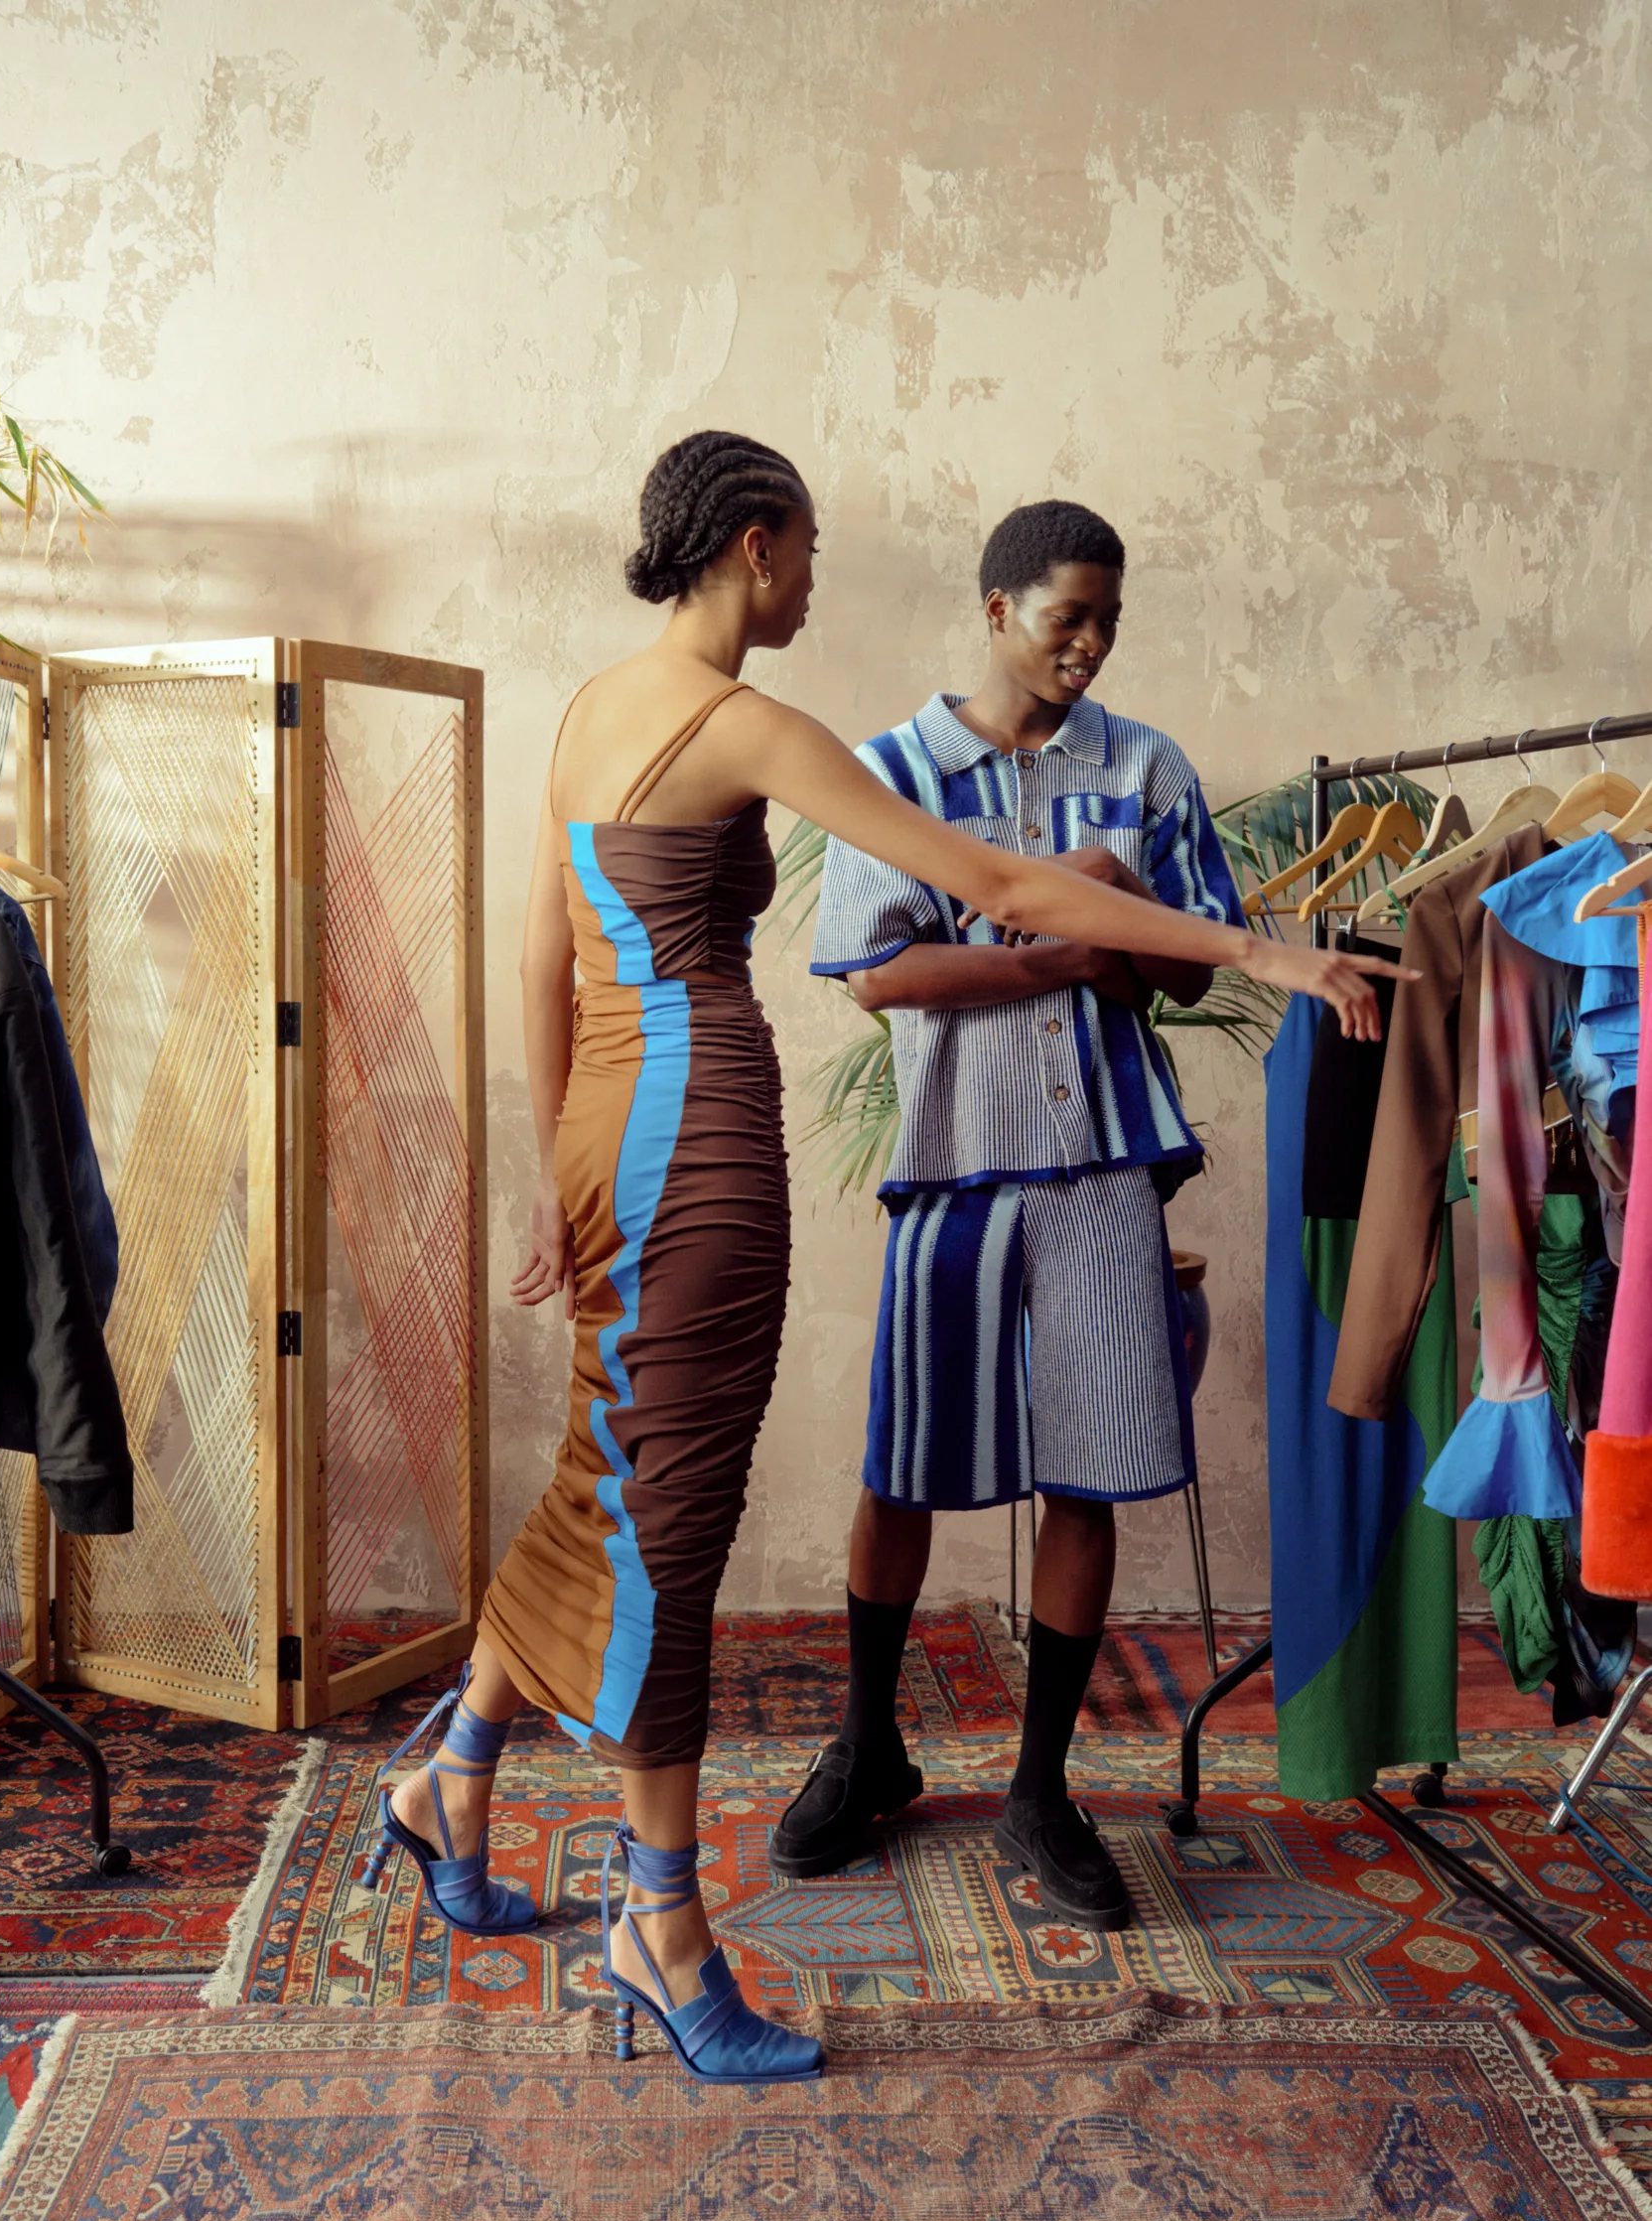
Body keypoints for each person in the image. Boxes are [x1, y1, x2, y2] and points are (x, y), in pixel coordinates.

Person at [370, 432, 1395, 2085]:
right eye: (811, 549)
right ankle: (660, 1926)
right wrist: (1259, 942)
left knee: (602, 1475)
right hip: (695, 1137)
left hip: (611, 1129)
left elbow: (543, 955)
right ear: (756, 546)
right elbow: (987, 881)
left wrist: (552, 1175)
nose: (818, 577)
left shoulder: (585, 708)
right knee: (669, 1516)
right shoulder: (750, 726)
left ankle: (453, 1780)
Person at [770, 496, 1237, 1931]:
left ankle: (1042, 1787)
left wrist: (1101, 914)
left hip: (1103, 1164)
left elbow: (1186, 975)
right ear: (996, 609)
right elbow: (882, 977)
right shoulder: (894, 774)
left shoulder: (1149, 774)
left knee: (1088, 1470)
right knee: (902, 1463)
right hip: (954, 1160)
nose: (1089, 644)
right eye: (1064, 617)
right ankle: (870, 1745)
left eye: (1107, 620)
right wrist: (1066, 944)